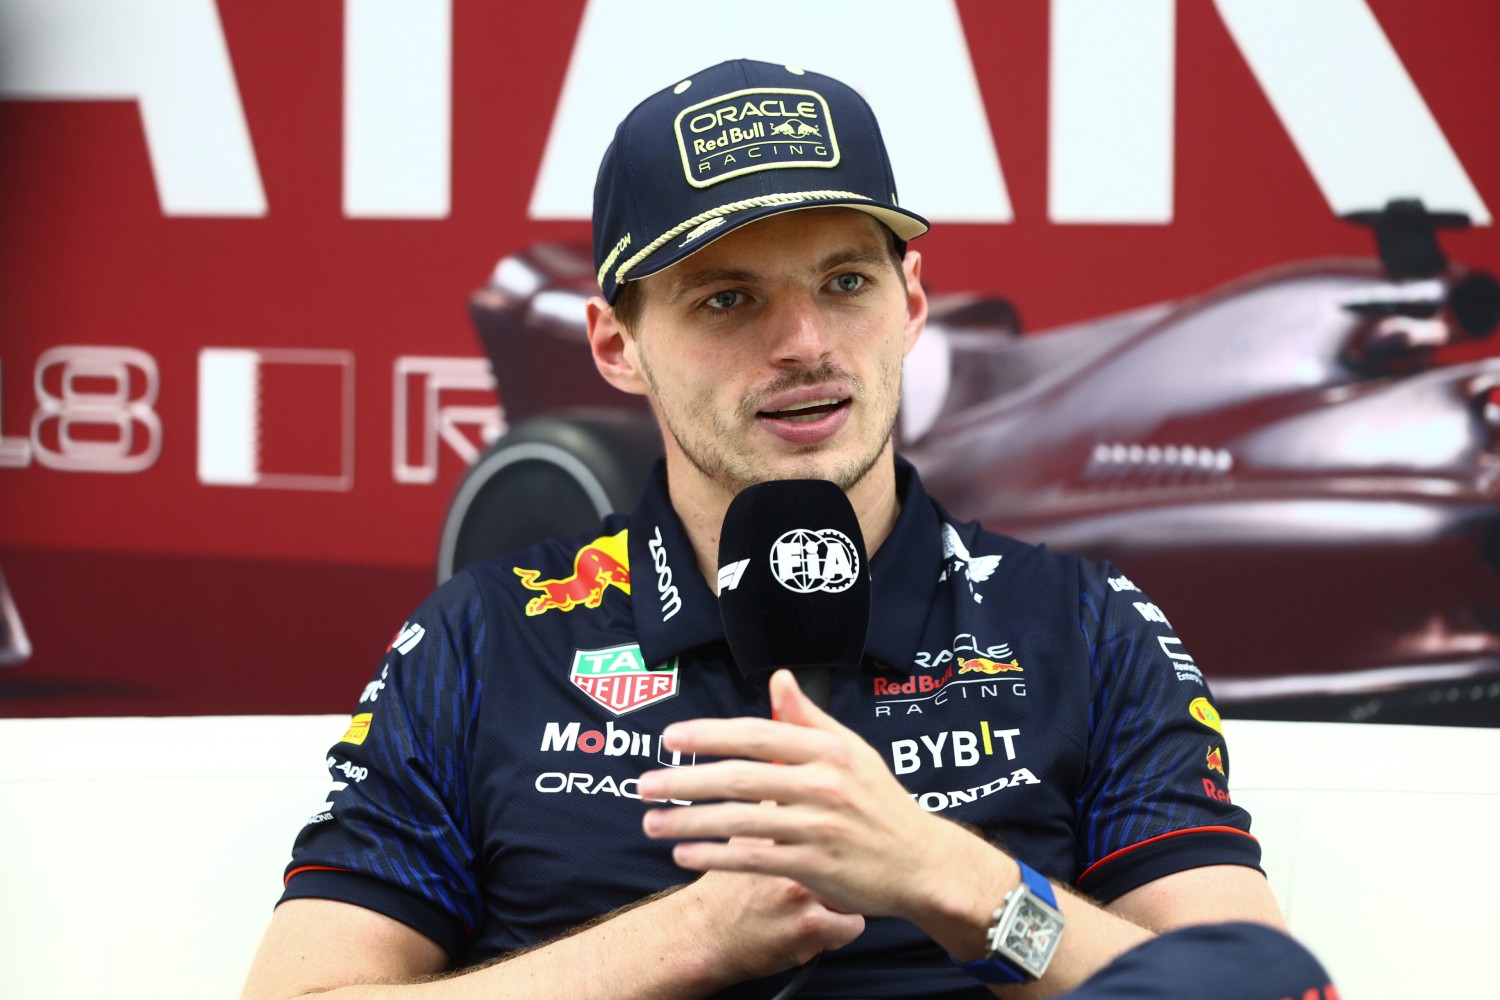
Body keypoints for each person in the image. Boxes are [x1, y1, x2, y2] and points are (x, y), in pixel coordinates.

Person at [241, 59, 1333, 999]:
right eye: (728, 300)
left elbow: (1272, 985)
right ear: (616, 342)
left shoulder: (1078, 625)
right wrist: (689, 936)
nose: (807, 342)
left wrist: (953, 881)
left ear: (910, 305)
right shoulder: (491, 636)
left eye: (845, 282)